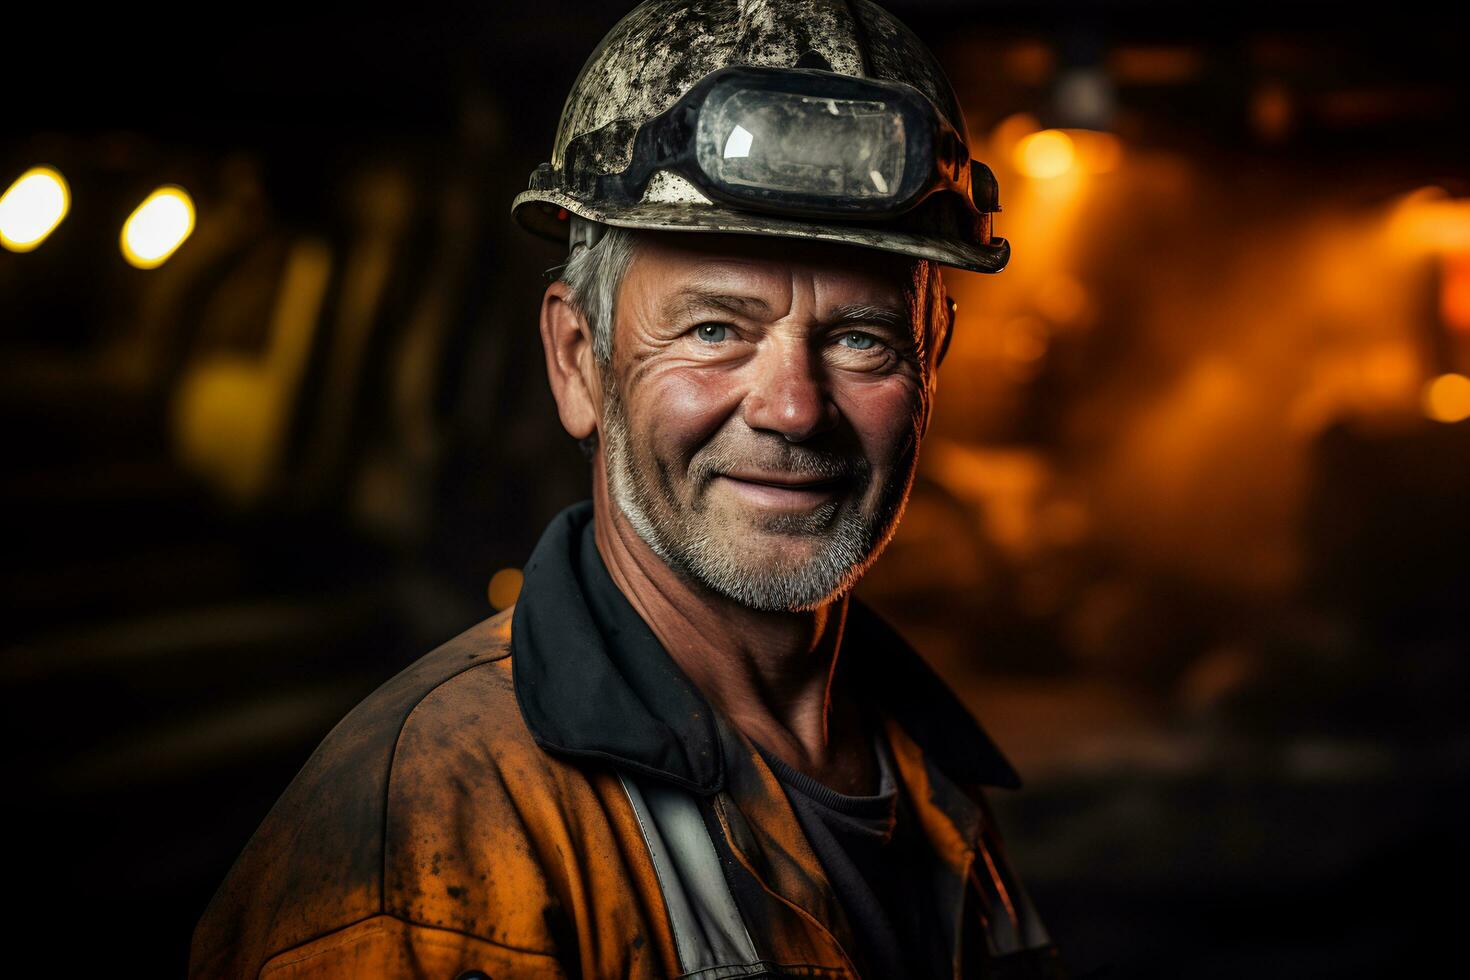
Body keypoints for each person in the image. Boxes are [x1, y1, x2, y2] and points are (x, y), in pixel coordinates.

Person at [190, 1, 1068, 976]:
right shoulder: (441, 830)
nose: (791, 408)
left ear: (932, 357)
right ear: (579, 359)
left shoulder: (933, 780)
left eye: (860, 335)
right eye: (713, 329)